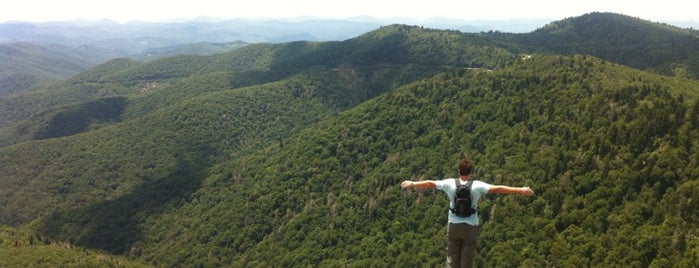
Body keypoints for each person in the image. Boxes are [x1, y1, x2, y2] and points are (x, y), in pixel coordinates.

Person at [400, 158, 534, 268]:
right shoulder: (477, 185)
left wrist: (412, 183)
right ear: (471, 172)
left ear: (459, 171)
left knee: (452, 257)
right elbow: (498, 188)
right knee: (467, 258)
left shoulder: (449, 183)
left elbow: (430, 183)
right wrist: (521, 190)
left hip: (454, 224)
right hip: (470, 226)